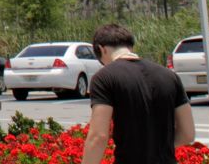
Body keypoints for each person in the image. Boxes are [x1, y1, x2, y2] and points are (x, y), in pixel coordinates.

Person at [81, 23, 195, 164]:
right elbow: (188, 134)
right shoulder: (170, 76)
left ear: (101, 49)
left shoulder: (104, 78)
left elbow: (98, 137)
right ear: (131, 46)